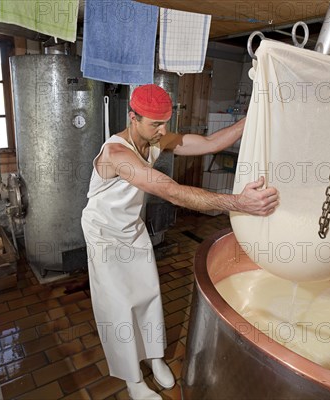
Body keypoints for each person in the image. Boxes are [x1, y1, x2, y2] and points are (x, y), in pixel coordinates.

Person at [81, 84, 279, 400]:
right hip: (104, 234)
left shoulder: (155, 138)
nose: (163, 131)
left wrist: (252, 116)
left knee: (147, 293)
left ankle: (155, 356)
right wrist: (238, 203)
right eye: (155, 124)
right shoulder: (116, 154)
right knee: (118, 305)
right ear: (132, 117)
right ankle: (133, 379)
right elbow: (170, 191)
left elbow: (211, 142)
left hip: (131, 227)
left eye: (166, 122)